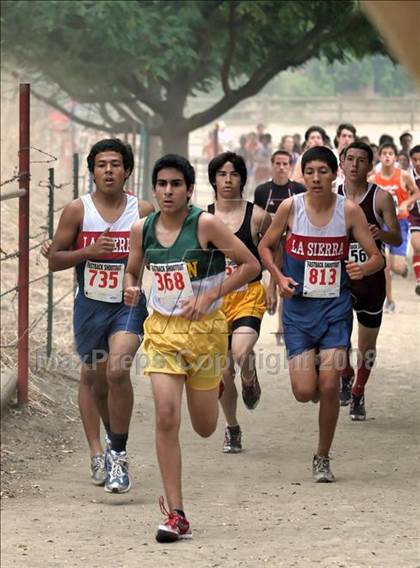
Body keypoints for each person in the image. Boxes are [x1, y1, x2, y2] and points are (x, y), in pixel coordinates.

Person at [124, 154, 260, 542]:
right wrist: (131, 286)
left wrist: (211, 294)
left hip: (206, 334)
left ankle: (215, 386)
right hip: (163, 333)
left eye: (176, 185)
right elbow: (133, 269)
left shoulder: (205, 224)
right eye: (162, 185)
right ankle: (176, 514)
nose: (168, 192)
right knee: (166, 416)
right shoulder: (142, 229)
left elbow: (250, 265)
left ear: (188, 189)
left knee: (204, 427)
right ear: (154, 189)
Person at [258, 146, 384, 482]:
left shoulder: (350, 211)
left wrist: (364, 267)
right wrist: (277, 275)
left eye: (323, 172)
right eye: (310, 172)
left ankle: (322, 456)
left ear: (334, 174)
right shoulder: (290, 207)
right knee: (304, 391)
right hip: (299, 311)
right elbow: (265, 246)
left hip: (334, 308)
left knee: (329, 385)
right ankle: (312, 369)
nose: (316, 178)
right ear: (303, 175)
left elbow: (377, 258)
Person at [48, 138, 152, 493]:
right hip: (90, 305)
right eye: (102, 165)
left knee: (118, 369)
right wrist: (88, 251)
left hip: (128, 304)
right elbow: (54, 259)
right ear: (92, 171)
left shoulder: (143, 211)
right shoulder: (78, 211)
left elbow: (164, 245)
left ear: (127, 170)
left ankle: (119, 456)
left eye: (116, 164)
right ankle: (98, 452)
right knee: (94, 378)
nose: (109, 170)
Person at [207, 151, 275, 453]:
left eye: (233, 174)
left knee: (240, 349)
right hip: (216, 300)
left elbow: (274, 248)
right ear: (213, 179)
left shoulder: (258, 216)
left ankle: (249, 373)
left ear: (242, 179)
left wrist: (274, 281)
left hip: (248, 294)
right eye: (222, 174)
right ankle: (232, 428)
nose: (227, 180)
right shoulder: (202, 218)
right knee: (221, 372)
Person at [338, 142, 402, 420]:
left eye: (361, 160)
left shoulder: (381, 198)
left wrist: (380, 235)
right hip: (339, 278)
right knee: (337, 340)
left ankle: (358, 391)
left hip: (371, 279)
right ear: (341, 163)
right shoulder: (331, 196)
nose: (354, 165)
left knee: (367, 346)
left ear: (369, 165)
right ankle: (345, 373)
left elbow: (397, 238)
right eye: (349, 159)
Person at [254, 150, 306, 345]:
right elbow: (257, 221)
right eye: (278, 163)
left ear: (291, 166)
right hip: (268, 247)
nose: (282, 167)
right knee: (269, 287)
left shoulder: (299, 189)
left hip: (290, 246)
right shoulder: (261, 191)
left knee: (285, 286)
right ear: (272, 165)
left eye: (286, 164)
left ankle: (281, 328)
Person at [370, 142, 418, 312]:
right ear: (380, 156)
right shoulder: (374, 178)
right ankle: (389, 301)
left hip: (400, 224)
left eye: (391, 153)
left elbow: (417, 191)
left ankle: (404, 269)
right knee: (385, 264)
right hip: (382, 226)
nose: (388, 156)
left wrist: (406, 202)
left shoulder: (403, 175)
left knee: (396, 266)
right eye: (385, 153)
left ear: (395, 157)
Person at [408, 145, 420, 295]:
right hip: (415, 217)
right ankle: (419, 280)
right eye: (415, 159)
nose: (418, 162)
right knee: (417, 245)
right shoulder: (408, 176)